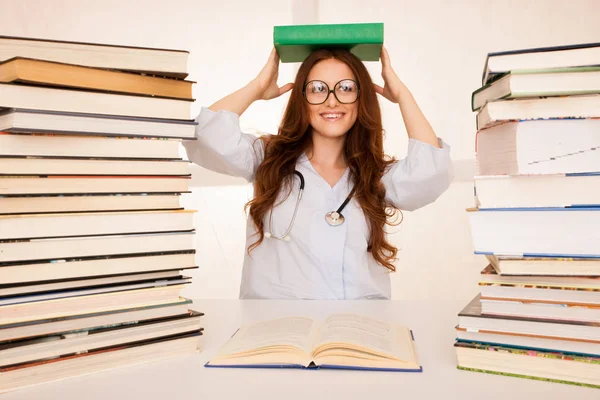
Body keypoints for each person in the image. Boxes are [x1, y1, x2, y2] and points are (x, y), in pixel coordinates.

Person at [183, 46, 453, 300]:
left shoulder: (376, 176)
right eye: (317, 89)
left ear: (362, 98)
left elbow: (429, 173)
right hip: (276, 335)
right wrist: (255, 88)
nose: (332, 101)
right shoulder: (268, 159)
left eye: (346, 88)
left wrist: (404, 97)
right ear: (302, 98)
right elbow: (203, 135)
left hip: (356, 333)